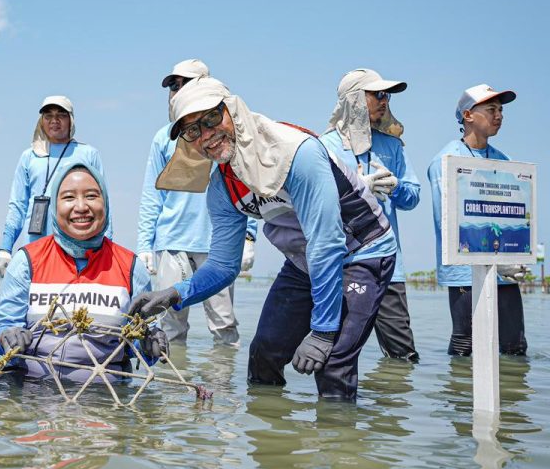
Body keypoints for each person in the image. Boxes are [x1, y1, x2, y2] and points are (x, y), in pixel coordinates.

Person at [130, 77, 397, 401]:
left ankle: (338, 448)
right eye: (192, 131)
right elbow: (223, 266)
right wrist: (175, 293)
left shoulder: (298, 153)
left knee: (333, 365)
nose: (206, 136)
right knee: (264, 353)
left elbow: (327, 245)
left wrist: (324, 331)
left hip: (361, 251)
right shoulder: (222, 187)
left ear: (233, 111)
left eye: (212, 119)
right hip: (303, 262)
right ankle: (273, 445)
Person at [0, 162, 167, 382]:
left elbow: (141, 344)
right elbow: (0, 330)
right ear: (55, 206)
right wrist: (6, 336)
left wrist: (150, 344)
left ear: (106, 203)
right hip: (30, 390)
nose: (81, 206)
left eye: (92, 196)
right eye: (69, 197)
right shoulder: (26, 260)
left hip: (105, 397)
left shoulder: (132, 267)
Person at [139, 59, 258, 346]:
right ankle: (173, 391)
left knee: (224, 326)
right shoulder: (161, 138)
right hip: (172, 242)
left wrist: (249, 235)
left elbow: (248, 180)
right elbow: (151, 195)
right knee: (169, 324)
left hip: (217, 244)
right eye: (173, 86)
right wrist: (144, 244)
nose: (176, 91)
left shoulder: (226, 131)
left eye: (183, 84)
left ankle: (223, 389)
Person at [319, 69, 421, 362]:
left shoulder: (392, 146)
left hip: (389, 267)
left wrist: (397, 186)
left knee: (402, 357)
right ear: (353, 99)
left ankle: (392, 404)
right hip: (341, 264)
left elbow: (413, 197)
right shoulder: (324, 147)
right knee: (337, 351)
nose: (384, 101)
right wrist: (354, 191)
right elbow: (313, 204)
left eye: (386, 95)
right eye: (377, 94)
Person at [427, 84, 527, 356]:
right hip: (464, 269)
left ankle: (511, 397)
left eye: (501, 110)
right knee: (465, 342)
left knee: (515, 345)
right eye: (492, 109)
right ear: (468, 115)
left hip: (503, 271)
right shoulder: (446, 160)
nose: (499, 115)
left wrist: (513, 257)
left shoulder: (504, 160)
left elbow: (513, 215)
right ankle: (460, 398)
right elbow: (445, 222)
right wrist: (485, 259)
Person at [0, 96, 109, 278]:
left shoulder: (89, 154)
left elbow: (102, 204)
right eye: (48, 116)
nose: (54, 121)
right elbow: (17, 205)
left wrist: (107, 246)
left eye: (61, 115)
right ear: (41, 121)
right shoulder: (29, 156)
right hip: (35, 246)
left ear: (70, 120)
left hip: (79, 249)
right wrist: (5, 248)